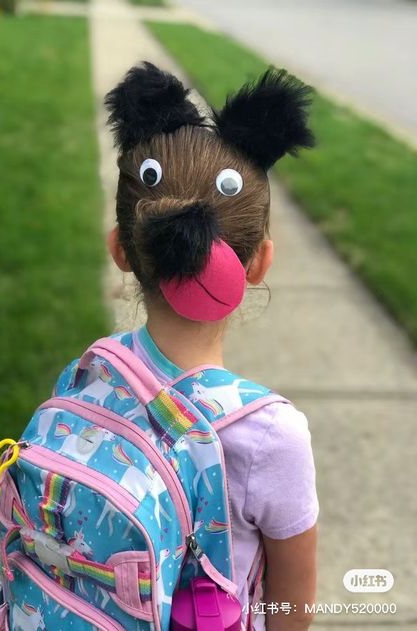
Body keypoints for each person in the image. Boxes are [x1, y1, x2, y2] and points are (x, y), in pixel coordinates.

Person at [101, 62, 320, 631]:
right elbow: (291, 605)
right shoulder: (271, 436)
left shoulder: (91, 377)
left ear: (121, 251)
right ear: (259, 262)